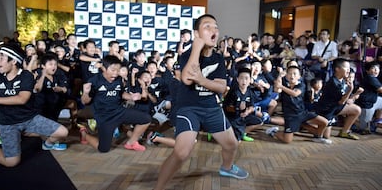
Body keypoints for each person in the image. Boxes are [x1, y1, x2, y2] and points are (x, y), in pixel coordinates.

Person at [154, 14, 248, 190]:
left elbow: (221, 88)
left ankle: (226, 168)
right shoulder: (187, 54)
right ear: (196, 33)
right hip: (188, 108)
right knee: (181, 152)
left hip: (212, 108)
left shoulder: (219, 58)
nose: (214, 30)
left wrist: (202, 79)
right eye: (207, 26)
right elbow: (188, 80)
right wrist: (196, 47)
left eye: (216, 26)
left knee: (232, 144)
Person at [0, 44, 68, 167]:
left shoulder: (26, 75)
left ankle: (47, 144)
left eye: (1, 58)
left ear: (14, 61)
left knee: (63, 132)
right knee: (11, 162)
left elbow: (22, 99)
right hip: (7, 122)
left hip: (29, 119)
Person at [79, 55, 151, 152]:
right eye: (113, 70)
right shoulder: (94, 81)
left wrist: (131, 97)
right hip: (104, 117)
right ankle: (84, 134)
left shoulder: (118, 79)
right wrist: (86, 93)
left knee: (146, 119)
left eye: (118, 70)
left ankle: (131, 143)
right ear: (103, 68)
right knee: (103, 149)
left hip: (119, 111)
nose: (116, 73)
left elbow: (121, 94)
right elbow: (85, 101)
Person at [266, 66, 330, 144]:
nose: (292, 76)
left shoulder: (301, 85)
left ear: (299, 76)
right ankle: (274, 132)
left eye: (295, 74)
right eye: (289, 73)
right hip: (291, 116)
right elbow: (277, 89)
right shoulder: (283, 84)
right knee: (287, 140)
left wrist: (281, 87)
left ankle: (318, 137)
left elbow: (295, 93)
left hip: (302, 113)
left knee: (324, 122)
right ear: (286, 75)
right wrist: (279, 75)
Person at [314, 58, 361, 140]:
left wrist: (352, 96)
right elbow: (341, 101)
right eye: (346, 68)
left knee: (356, 109)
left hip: (336, 107)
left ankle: (344, 132)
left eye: (349, 68)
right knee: (325, 136)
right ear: (337, 69)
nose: (348, 70)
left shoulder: (342, 80)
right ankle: (305, 124)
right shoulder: (333, 83)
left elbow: (343, 99)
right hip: (327, 111)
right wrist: (350, 89)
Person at [356, 61, 382, 134]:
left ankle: (377, 120)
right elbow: (381, 90)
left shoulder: (373, 78)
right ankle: (373, 124)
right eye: (373, 68)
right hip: (366, 105)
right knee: (364, 129)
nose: (376, 70)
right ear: (367, 71)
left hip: (373, 101)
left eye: (378, 68)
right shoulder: (370, 78)